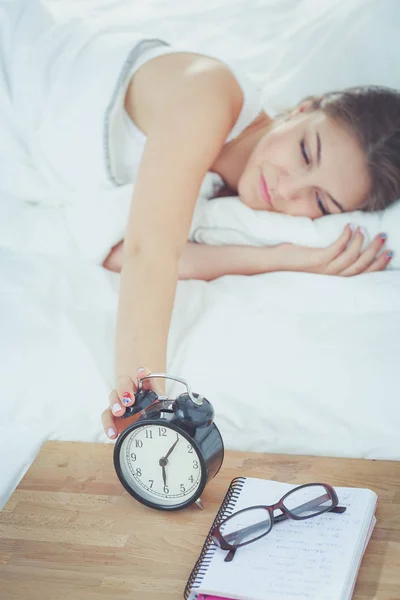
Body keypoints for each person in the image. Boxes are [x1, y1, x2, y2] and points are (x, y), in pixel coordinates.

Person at [3, 3, 399, 439]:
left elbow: (117, 252)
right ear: (302, 109)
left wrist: (284, 258)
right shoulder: (209, 94)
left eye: (320, 202)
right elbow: (149, 252)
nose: (289, 189)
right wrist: (142, 396)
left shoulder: (224, 190)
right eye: (305, 152)